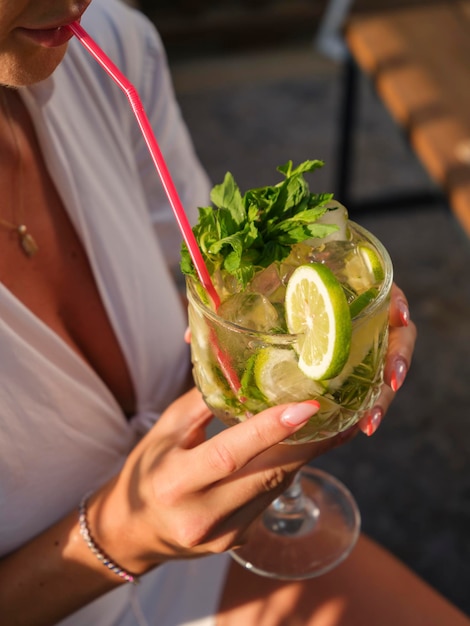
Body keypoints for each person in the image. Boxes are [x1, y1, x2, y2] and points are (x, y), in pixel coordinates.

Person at [0, 1, 466, 625]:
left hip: (204, 565)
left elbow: (217, 272)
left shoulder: (103, 49)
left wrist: (334, 322)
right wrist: (120, 539)